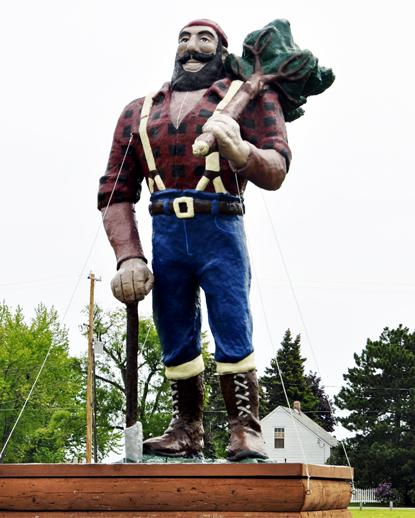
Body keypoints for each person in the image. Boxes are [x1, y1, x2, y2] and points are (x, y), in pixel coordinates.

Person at [97, 19, 290, 461]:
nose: (192, 47)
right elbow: (115, 191)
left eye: (205, 39)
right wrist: (128, 256)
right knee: (173, 327)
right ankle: (187, 427)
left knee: (231, 320)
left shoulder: (253, 99)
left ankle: (245, 427)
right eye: (184, 38)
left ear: (222, 51)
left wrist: (242, 152)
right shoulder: (138, 112)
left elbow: (277, 165)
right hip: (165, 230)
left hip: (220, 223)